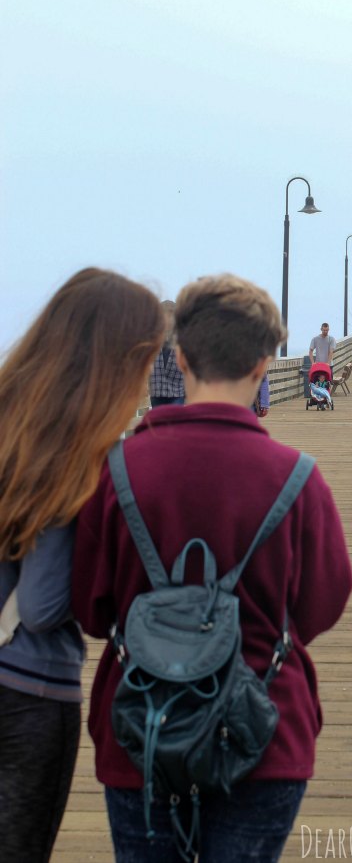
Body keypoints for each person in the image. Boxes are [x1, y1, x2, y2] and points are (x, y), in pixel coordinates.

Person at [72, 274, 352, 863]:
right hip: (263, 733)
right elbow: (322, 603)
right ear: (262, 365)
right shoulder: (297, 478)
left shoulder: (118, 472)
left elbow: (91, 610)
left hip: (141, 732)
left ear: (178, 357)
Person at [0, 268, 163, 863]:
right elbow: (42, 606)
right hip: (29, 693)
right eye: (144, 361)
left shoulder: (9, 413)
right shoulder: (78, 451)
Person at [148, 300, 185, 407]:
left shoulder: (182, 337)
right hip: (157, 389)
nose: (168, 319)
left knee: (175, 420)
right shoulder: (152, 337)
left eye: (170, 315)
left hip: (177, 390)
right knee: (158, 422)